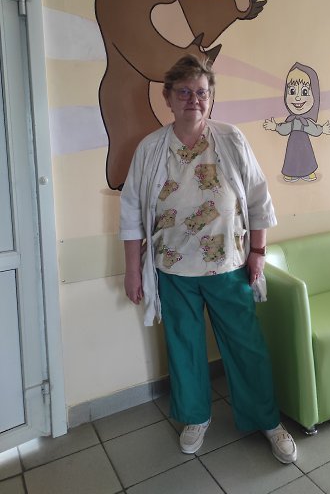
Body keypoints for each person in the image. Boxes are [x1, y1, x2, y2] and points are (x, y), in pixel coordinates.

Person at [120, 54, 297, 463]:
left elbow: (259, 197)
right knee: (184, 347)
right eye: (183, 92)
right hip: (172, 269)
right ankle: (196, 417)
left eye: (201, 92)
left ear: (211, 97)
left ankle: (267, 420)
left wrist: (258, 251)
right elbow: (130, 212)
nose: (193, 100)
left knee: (246, 345)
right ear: (168, 98)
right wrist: (132, 271)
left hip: (228, 265)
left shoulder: (231, 139)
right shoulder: (151, 149)